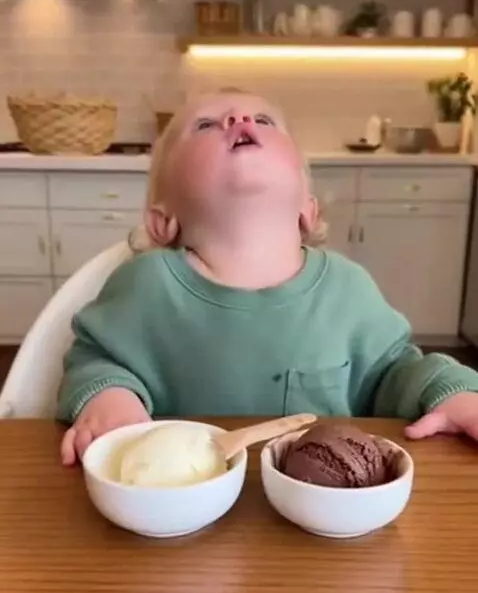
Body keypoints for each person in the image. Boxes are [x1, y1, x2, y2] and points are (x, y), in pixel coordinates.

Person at [57, 89, 478, 465]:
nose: (239, 120)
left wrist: (457, 395)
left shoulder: (349, 290)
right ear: (162, 220)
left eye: (263, 121)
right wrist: (108, 396)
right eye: (204, 125)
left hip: (318, 520)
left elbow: (398, 372)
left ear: (307, 209)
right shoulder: (145, 285)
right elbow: (96, 359)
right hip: (181, 514)